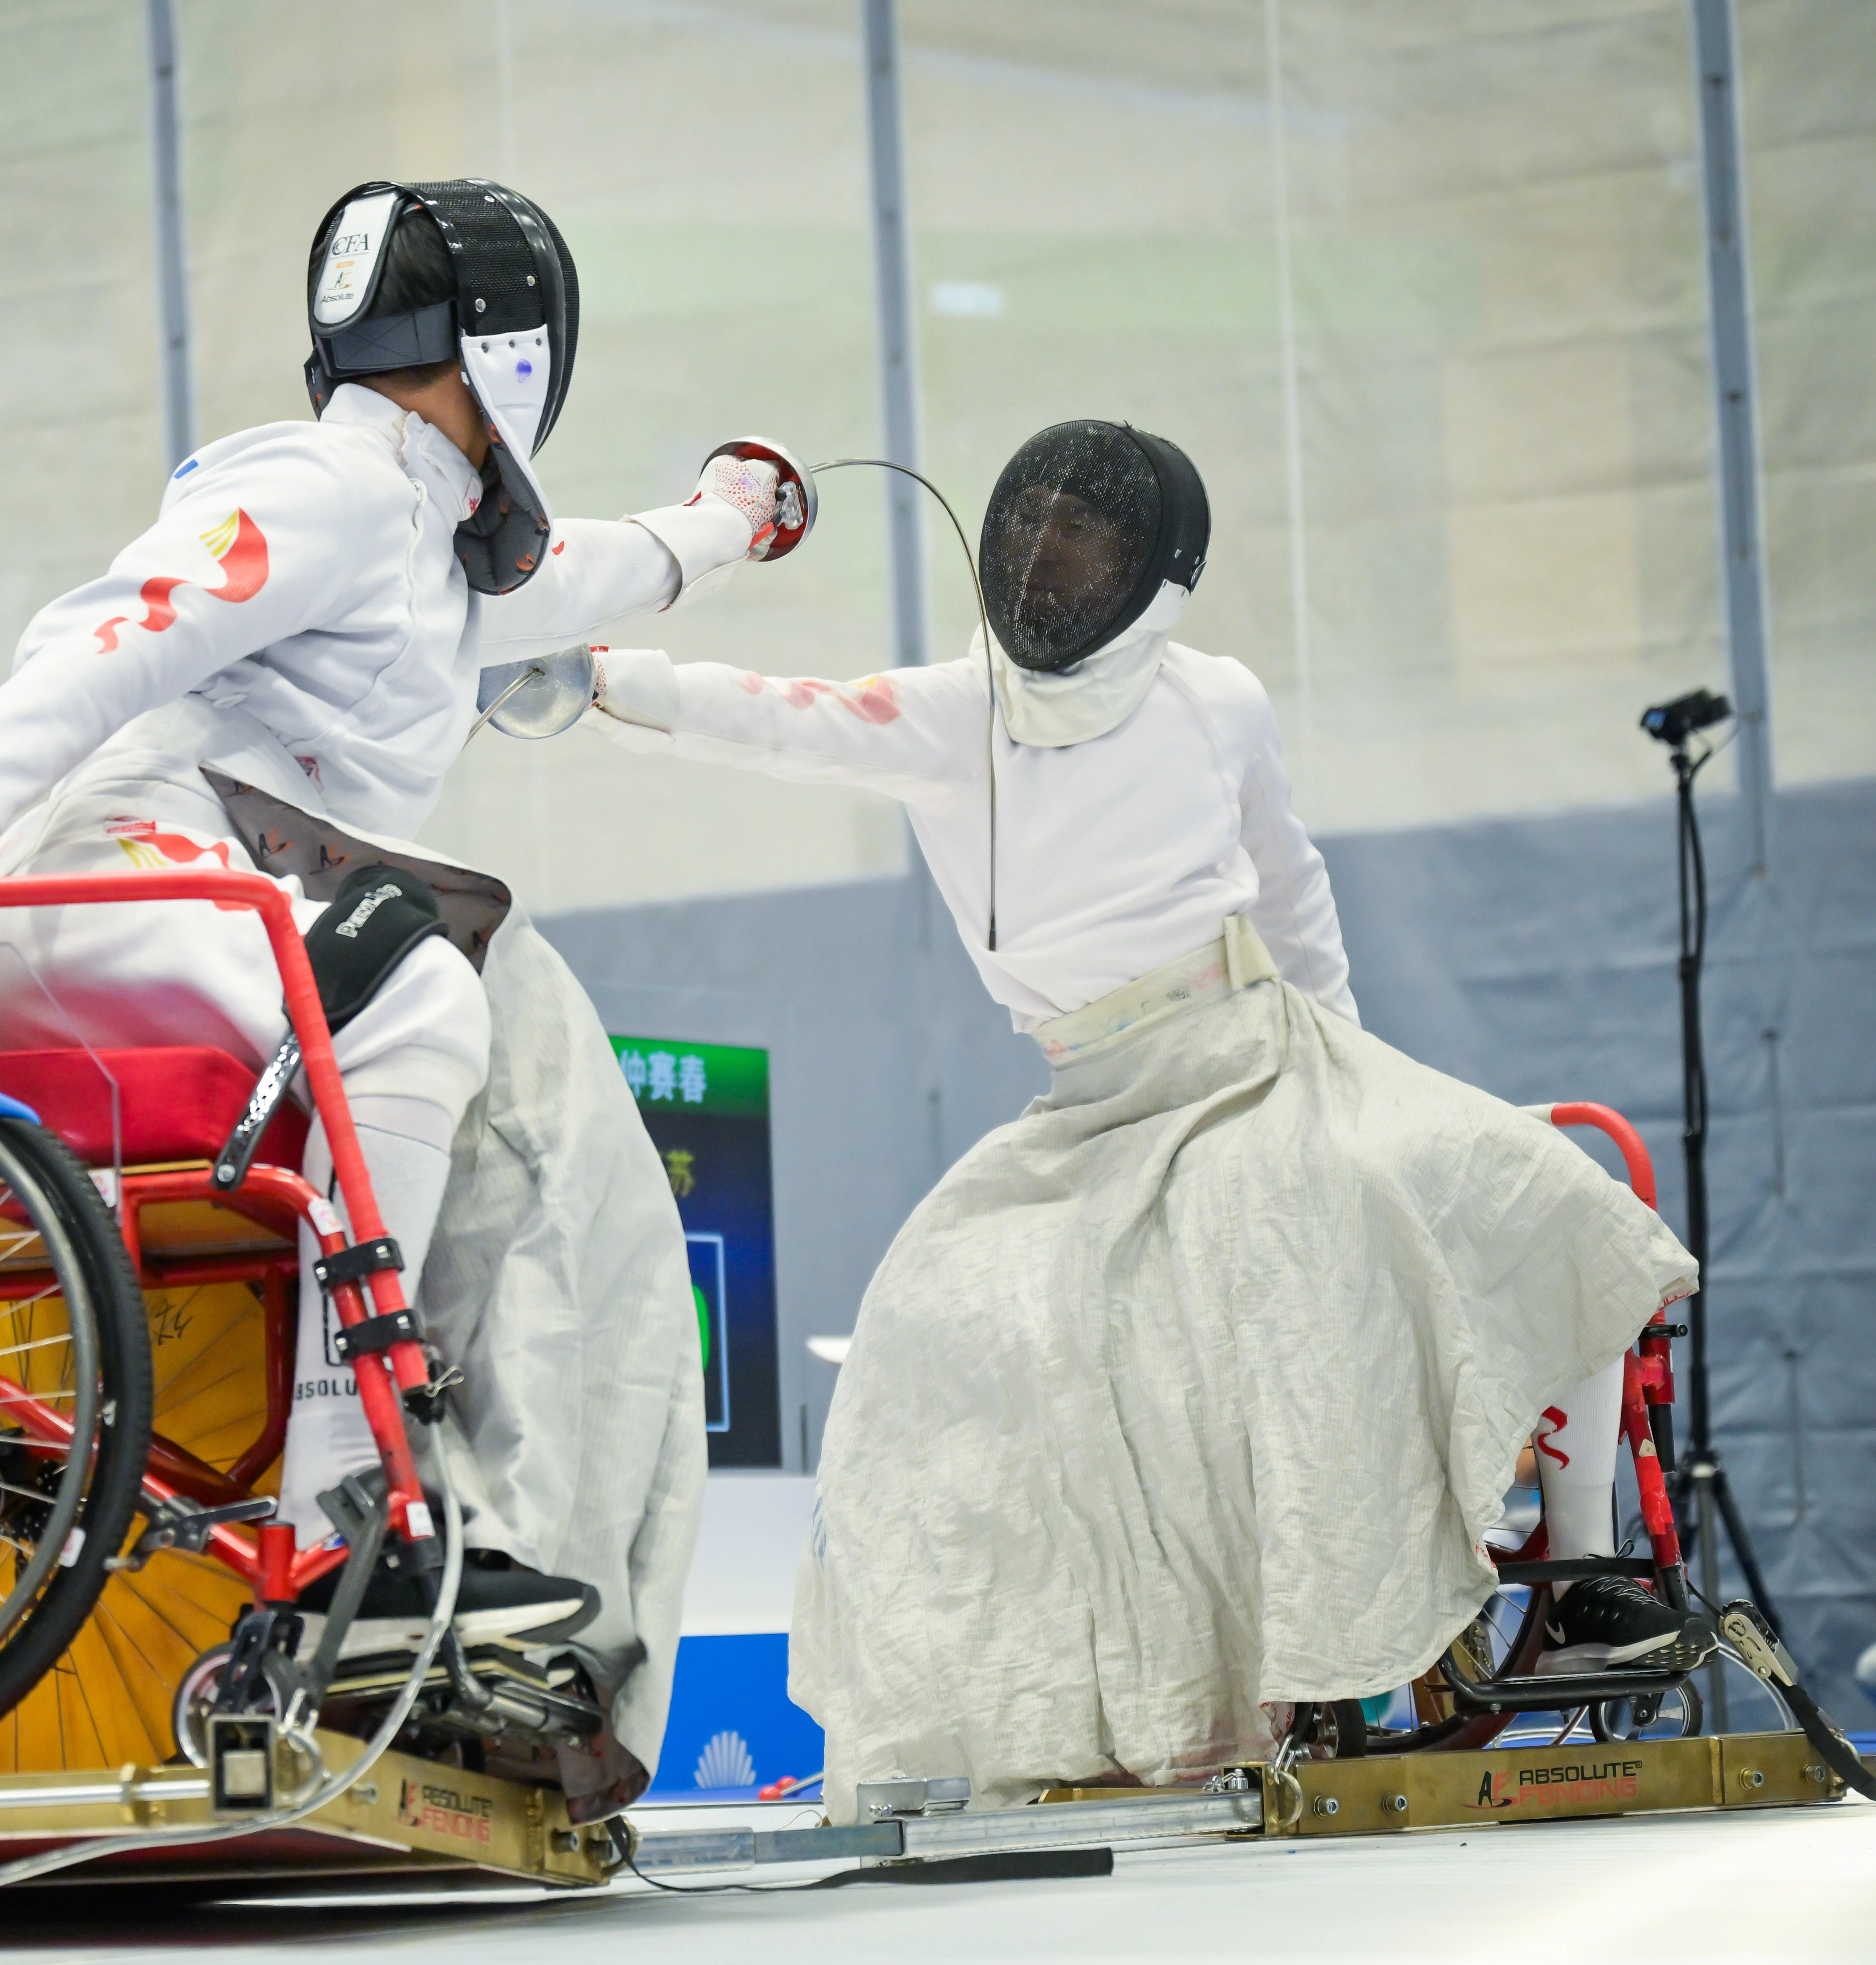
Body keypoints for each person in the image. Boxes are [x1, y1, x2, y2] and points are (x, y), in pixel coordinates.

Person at [584, 419, 1702, 1808]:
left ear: (1152, 570)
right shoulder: (952, 711)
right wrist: (591, 674)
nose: (1049, 560)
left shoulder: (1218, 698)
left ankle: (1584, 1579)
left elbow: (1292, 893)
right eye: (1032, 531)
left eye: (1085, 537)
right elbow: (769, 715)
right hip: (1093, 1104)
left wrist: (1349, 1077)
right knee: (941, 1314)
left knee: (1551, 1198)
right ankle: (1098, 1709)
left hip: (1264, 1054)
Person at [0, 178, 781, 1657]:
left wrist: (738, 509)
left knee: (407, 976)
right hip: (109, 891)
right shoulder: (329, 487)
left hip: (168, 920)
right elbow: (123, 625)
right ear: (511, 353)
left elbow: (621, 562)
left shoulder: (448, 548)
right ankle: (356, 1521)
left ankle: (375, 1503)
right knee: (417, 988)